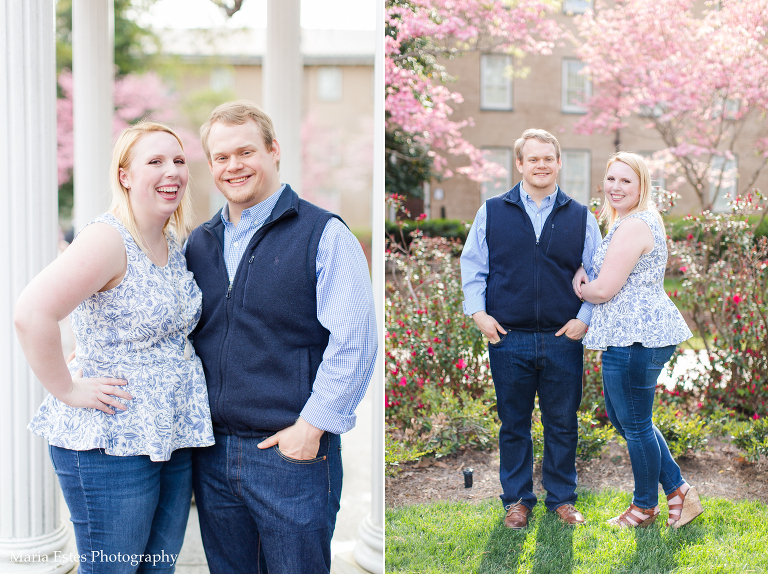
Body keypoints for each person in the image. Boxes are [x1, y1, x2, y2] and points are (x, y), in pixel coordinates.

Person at [184, 100, 377, 574]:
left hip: (290, 456)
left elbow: (355, 342)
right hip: (212, 457)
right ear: (210, 165)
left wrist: (311, 429)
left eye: (245, 152)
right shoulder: (198, 243)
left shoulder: (323, 234)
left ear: (274, 152)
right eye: (221, 157)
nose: (234, 166)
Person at [15, 121, 214, 573]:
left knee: (157, 568)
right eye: (155, 161)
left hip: (171, 432)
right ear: (125, 175)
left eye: (178, 161)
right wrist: (68, 389)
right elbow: (31, 314)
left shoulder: (172, 241)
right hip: (112, 439)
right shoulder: (107, 239)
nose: (172, 172)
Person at [460, 128, 602, 529]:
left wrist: (584, 319)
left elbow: (596, 271)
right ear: (519, 164)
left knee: (562, 422)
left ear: (559, 163)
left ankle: (561, 499)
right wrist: (478, 314)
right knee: (514, 424)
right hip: (508, 338)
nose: (541, 165)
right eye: (533, 158)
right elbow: (473, 267)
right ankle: (518, 501)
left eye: (548, 158)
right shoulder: (492, 211)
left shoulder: (580, 216)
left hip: (563, 338)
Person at [574, 152, 702, 528]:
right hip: (627, 335)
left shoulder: (634, 225)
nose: (615, 187)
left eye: (625, 181)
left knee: (636, 423)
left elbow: (603, 290)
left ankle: (644, 507)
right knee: (626, 419)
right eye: (611, 179)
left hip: (637, 338)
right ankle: (679, 490)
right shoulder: (630, 221)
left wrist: (581, 285)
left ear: (641, 185)